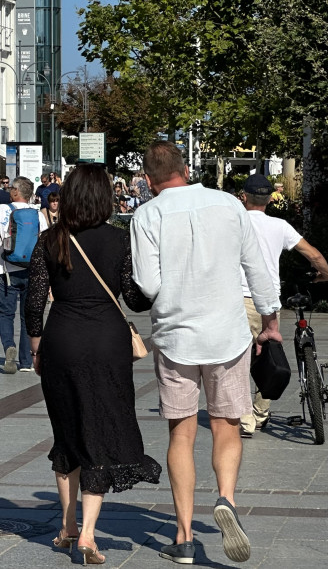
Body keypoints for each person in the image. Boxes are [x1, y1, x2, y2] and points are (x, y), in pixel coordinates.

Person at [131, 141, 281, 565]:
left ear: (147, 178)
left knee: (181, 433)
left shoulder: (147, 215)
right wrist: (269, 321)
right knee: (226, 425)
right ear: (185, 167)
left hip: (177, 338)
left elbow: (147, 283)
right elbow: (256, 267)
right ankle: (227, 499)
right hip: (227, 335)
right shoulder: (228, 206)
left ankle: (183, 539)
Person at [27, 165, 161, 564]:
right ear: (105, 198)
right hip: (107, 341)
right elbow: (136, 299)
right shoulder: (119, 241)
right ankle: (87, 535)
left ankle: (67, 525)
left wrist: (37, 348)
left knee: (67, 430)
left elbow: (34, 303)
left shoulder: (50, 240)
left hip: (62, 339)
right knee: (99, 429)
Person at [237, 174, 328, 437]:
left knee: (240, 360)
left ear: (244, 197)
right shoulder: (281, 226)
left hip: (238, 300)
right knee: (268, 355)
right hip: (268, 302)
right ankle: (260, 413)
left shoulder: (235, 224)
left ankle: (245, 421)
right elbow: (314, 255)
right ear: (269, 199)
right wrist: (323, 274)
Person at [0, 177, 48, 373]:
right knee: (26, 316)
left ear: (15, 192)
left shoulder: (2, 210)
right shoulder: (39, 214)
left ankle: (8, 347)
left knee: (5, 314)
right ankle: (26, 362)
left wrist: (2, 252)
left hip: (7, 271)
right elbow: (44, 243)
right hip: (31, 271)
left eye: (11, 188)